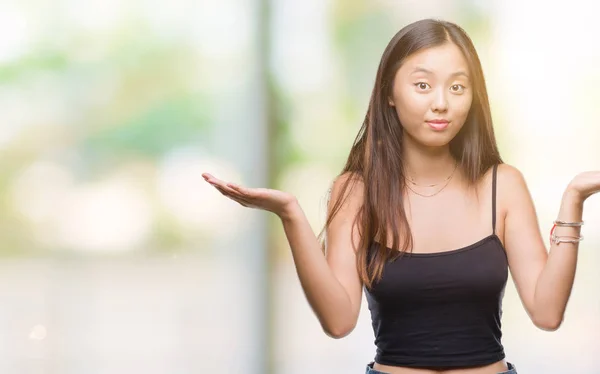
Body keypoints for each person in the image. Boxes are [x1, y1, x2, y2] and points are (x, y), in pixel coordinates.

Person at [202, 18, 599, 374]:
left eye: (457, 87)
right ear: (390, 92)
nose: (441, 102)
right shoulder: (356, 191)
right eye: (423, 85)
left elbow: (547, 314)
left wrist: (574, 198)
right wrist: (290, 214)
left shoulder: (503, 184)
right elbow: (338, 321)